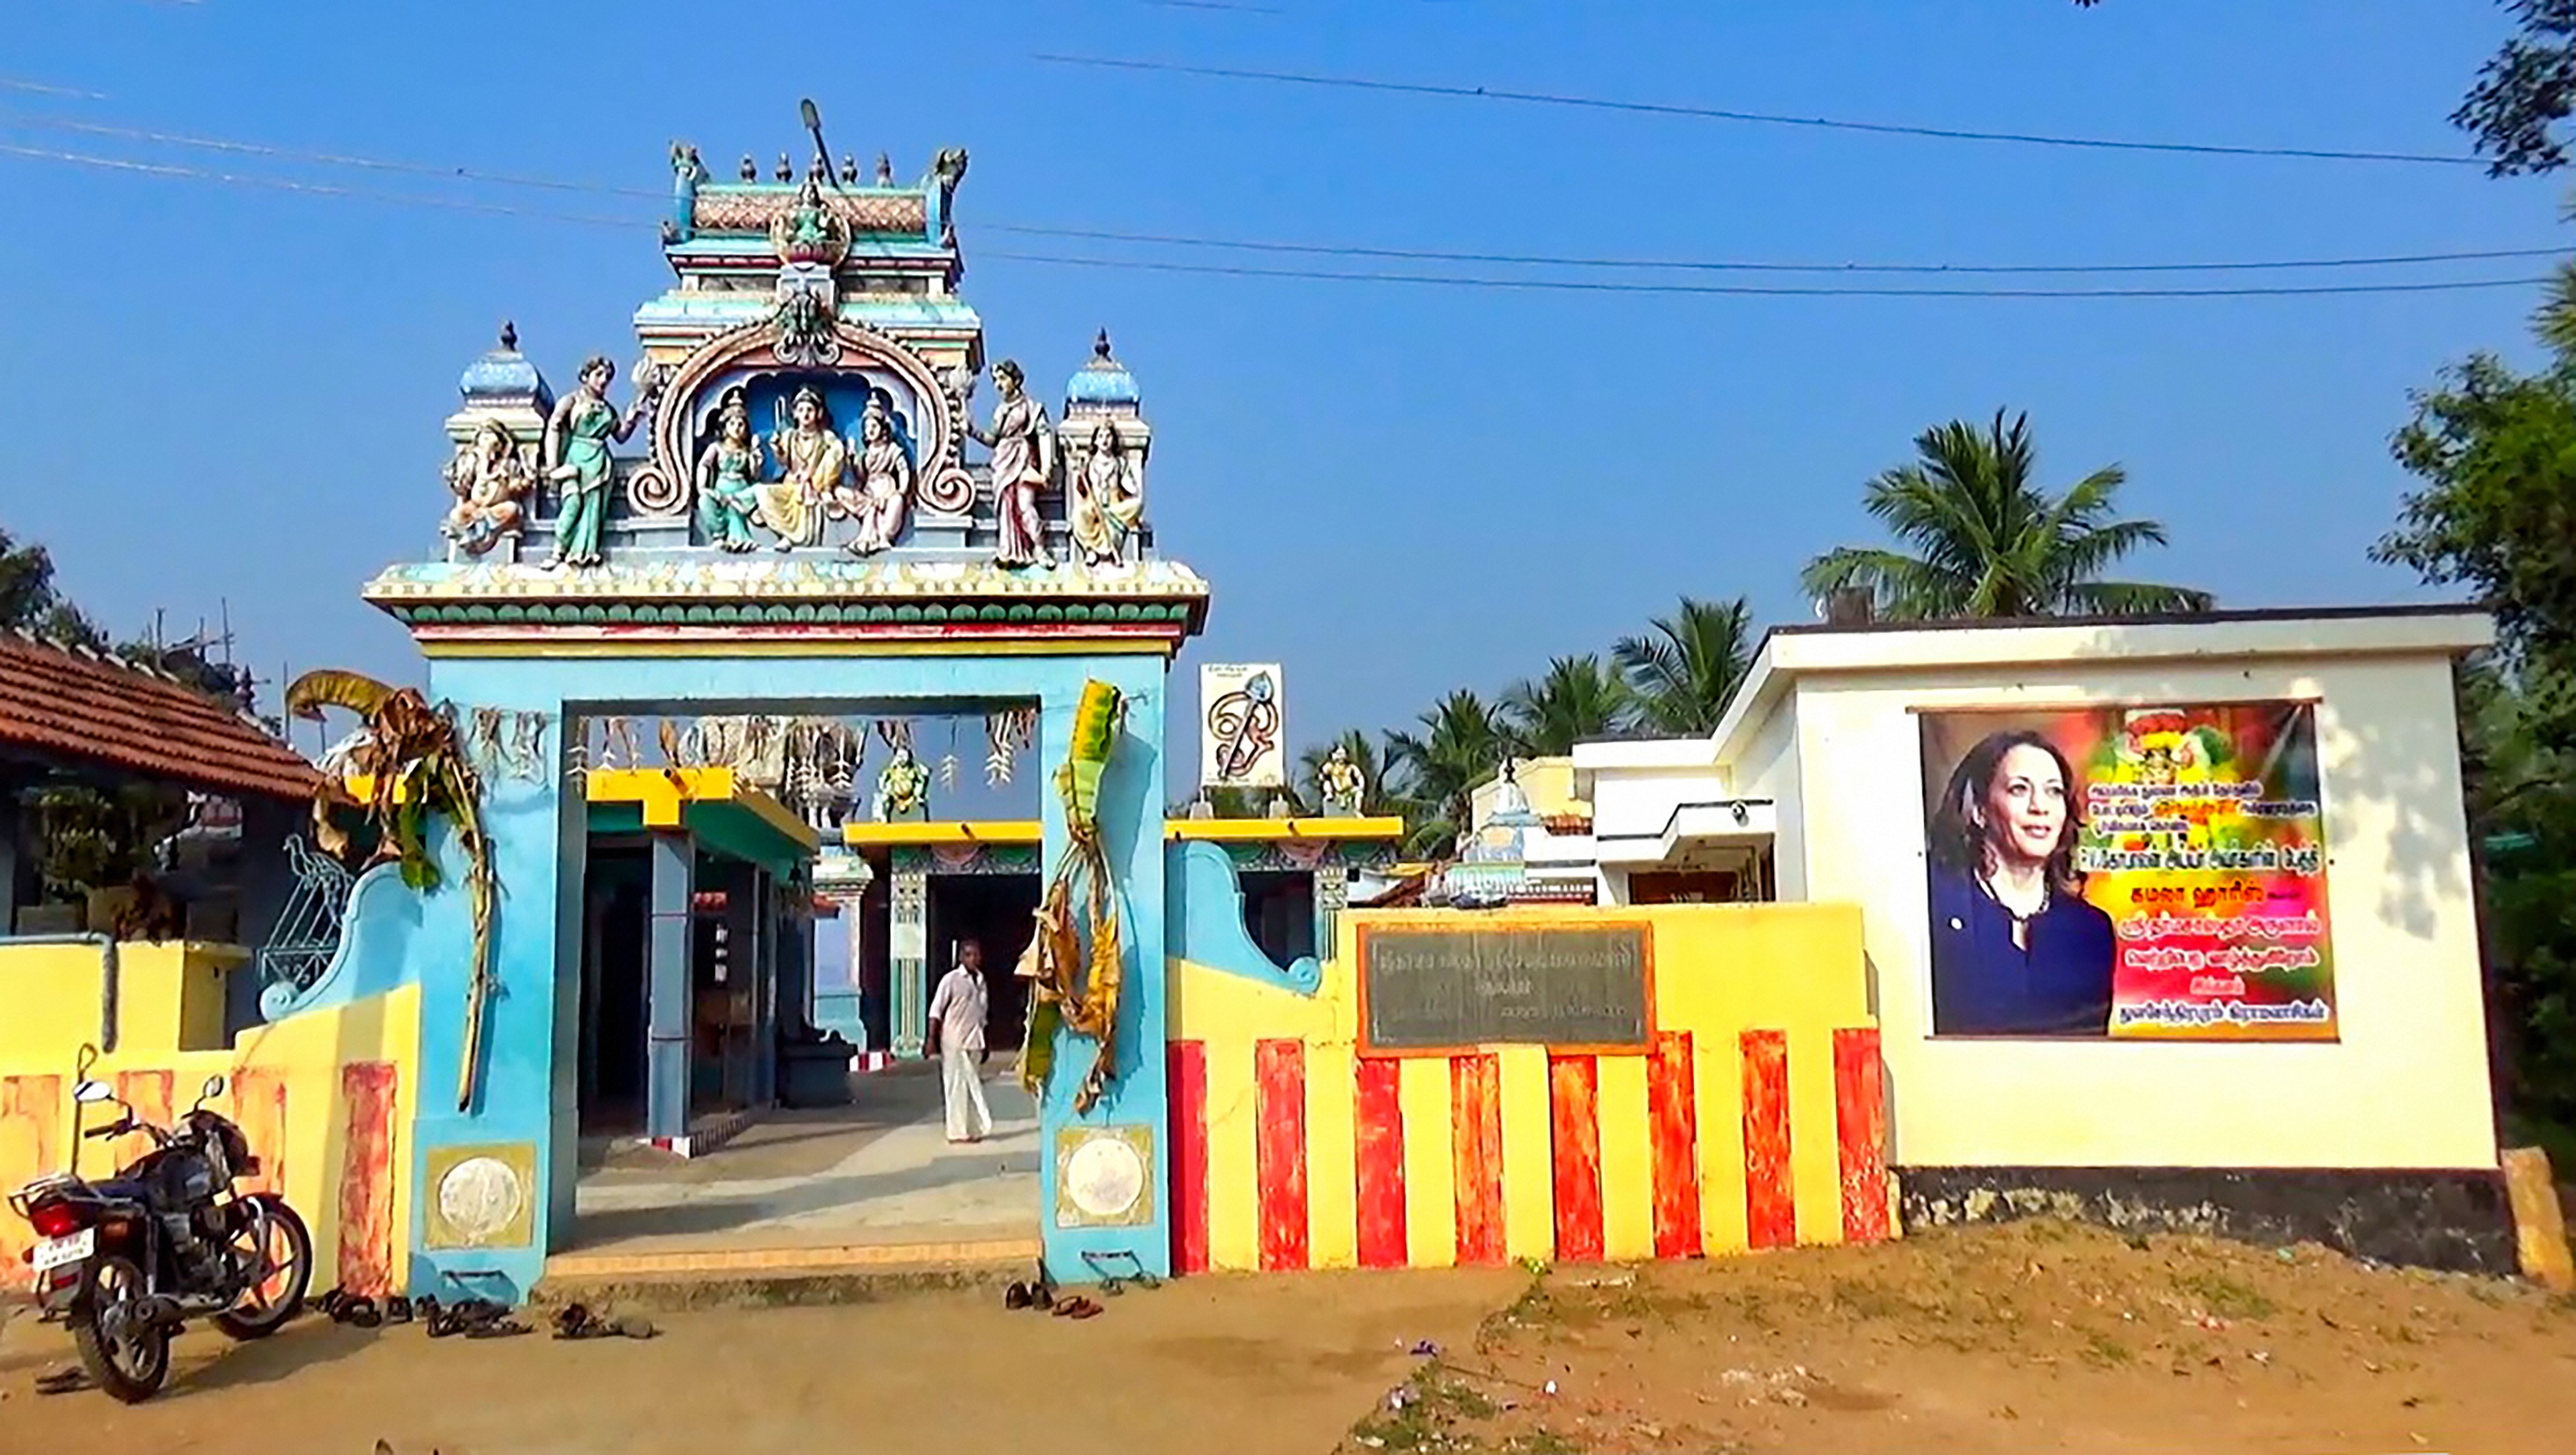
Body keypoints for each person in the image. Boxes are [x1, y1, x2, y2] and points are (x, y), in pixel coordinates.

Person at [1925, 729, 2116, 1037]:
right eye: (2019, 790)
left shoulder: (2089, 930)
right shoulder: (1935, 910)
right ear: (1980, 811)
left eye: (2054, 791)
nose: (2040, 806)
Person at [926, 939, 994, 1143]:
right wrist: (931, 1039)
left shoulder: (981, 981)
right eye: (969, 955)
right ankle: (956, 1132)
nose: (974, 959)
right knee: (955, 1086)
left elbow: (982, 1015)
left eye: (976, 955)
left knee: (973, 1085)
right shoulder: (951, 980)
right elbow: (936, 1011)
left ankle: (973, 1128)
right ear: (962, 957)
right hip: (954, 1040)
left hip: (974, 1040)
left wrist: (986, 1042)